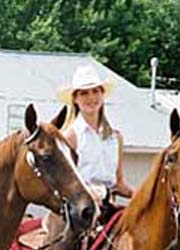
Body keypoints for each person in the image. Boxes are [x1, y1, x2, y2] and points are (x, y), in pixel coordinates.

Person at [56, 65, 133, 199]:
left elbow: (119, 183)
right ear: (75, 99)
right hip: (81, 208)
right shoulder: (70, 136)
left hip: (108, 204)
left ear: (103, 95)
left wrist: (142, 196)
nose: (91, 97)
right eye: (84, 93)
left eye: (95, 91)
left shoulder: (116, 138)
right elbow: (62, 182)